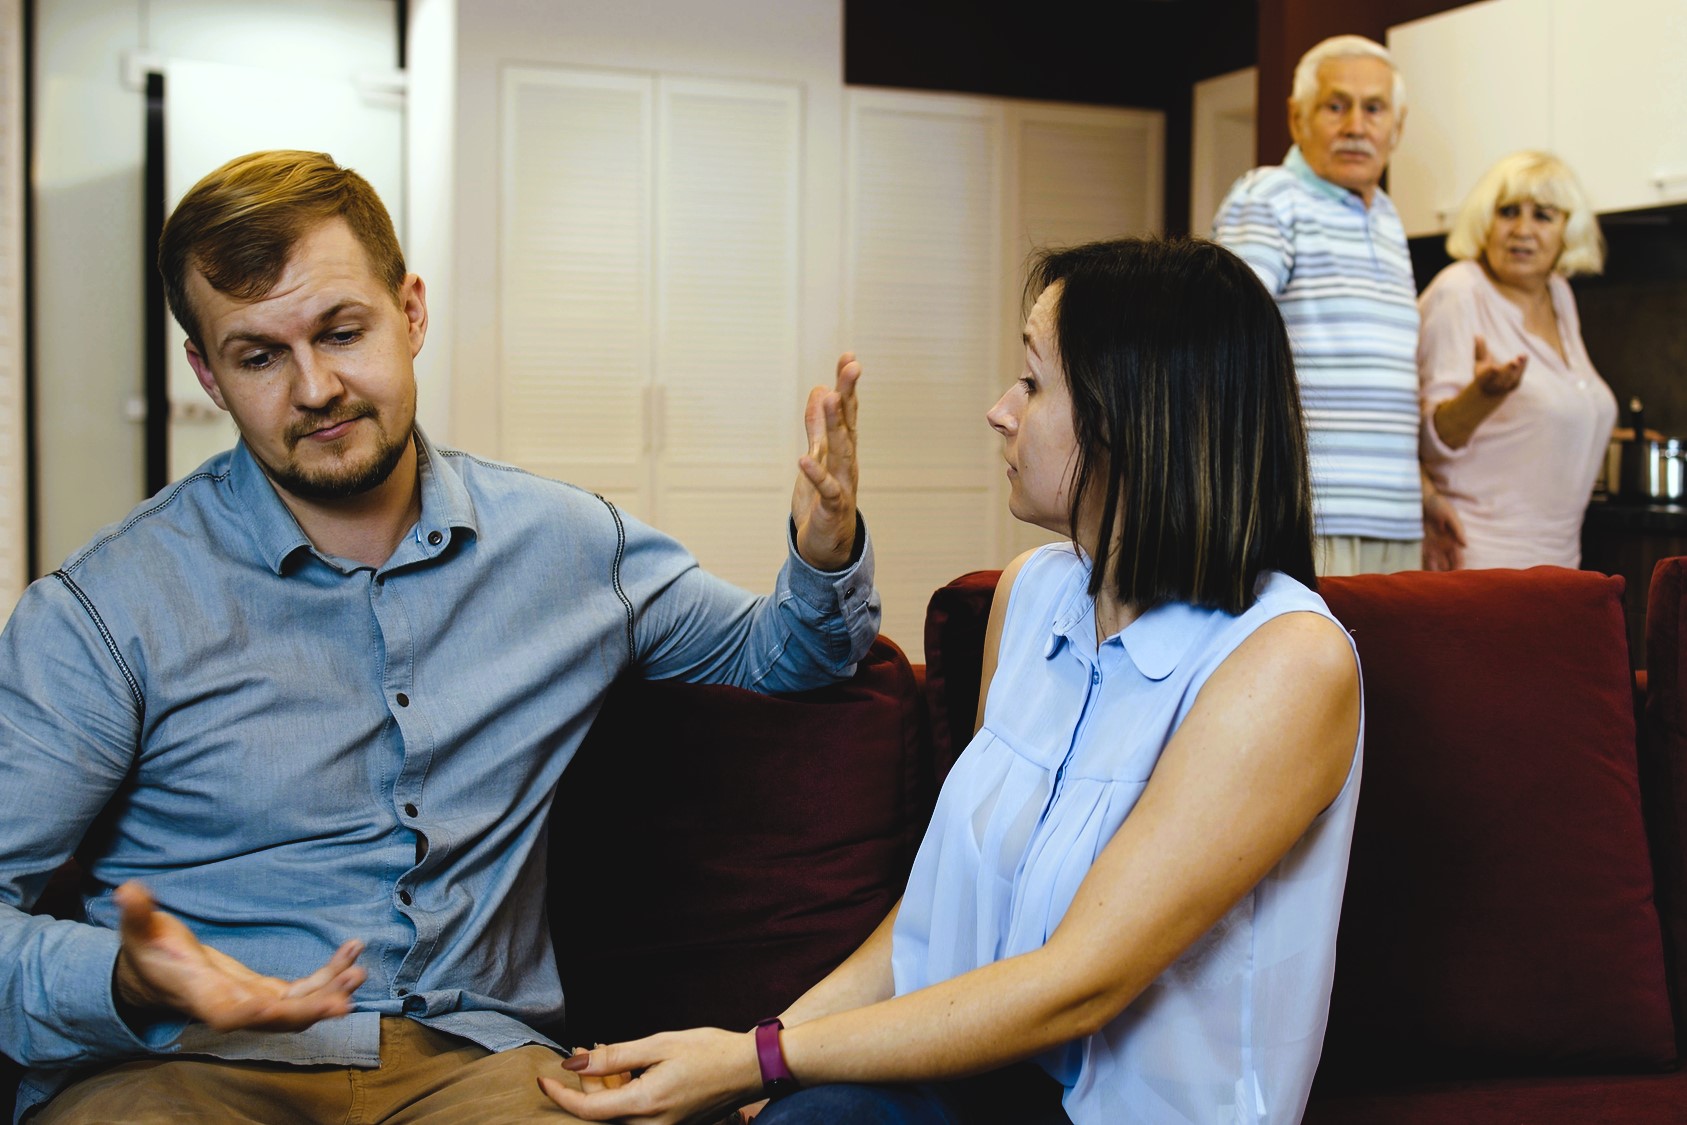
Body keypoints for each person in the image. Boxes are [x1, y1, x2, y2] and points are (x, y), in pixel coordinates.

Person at [0, 149, 880, 1123]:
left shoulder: (568, 548)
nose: (316, 387)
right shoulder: (107, 607)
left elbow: (793, 656)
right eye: (259, 355)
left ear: (411, 311)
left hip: (476, 1066)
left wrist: (824, 546)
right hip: (185, 1069)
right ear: (207, 373)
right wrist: (126, 981)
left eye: (343, 332)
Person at [543, 238, 1364, 1125]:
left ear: (1133, 413)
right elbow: (935, 921)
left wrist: (755, 1060)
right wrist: (749, 1065)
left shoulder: (1286, 663)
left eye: (1033, 382)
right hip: (985, 1090)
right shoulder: (1034, 592)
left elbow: (1075, 985)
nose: (999, 411)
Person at [1212, 34, 1439, 577]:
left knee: (1384, 666)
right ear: (1297, 118)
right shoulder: (1269, 196)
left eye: (1374, 109)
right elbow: (1221, 334)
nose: (1356, 126)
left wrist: (1426, 500)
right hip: (1306, 511)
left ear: (1397, 127)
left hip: (1395, 518)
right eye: (1336, 106)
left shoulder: (1385, 215)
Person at [1416, 151, 1614, 570]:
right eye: (1508, 212)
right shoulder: (1459, 291)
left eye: (1543, 215)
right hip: (1477, 557)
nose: (1522, 230)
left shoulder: (1559, 295)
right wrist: (1482, 396)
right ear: (1484, 221)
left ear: (1567, 230)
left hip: (1559, 560)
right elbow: (1430, 441)